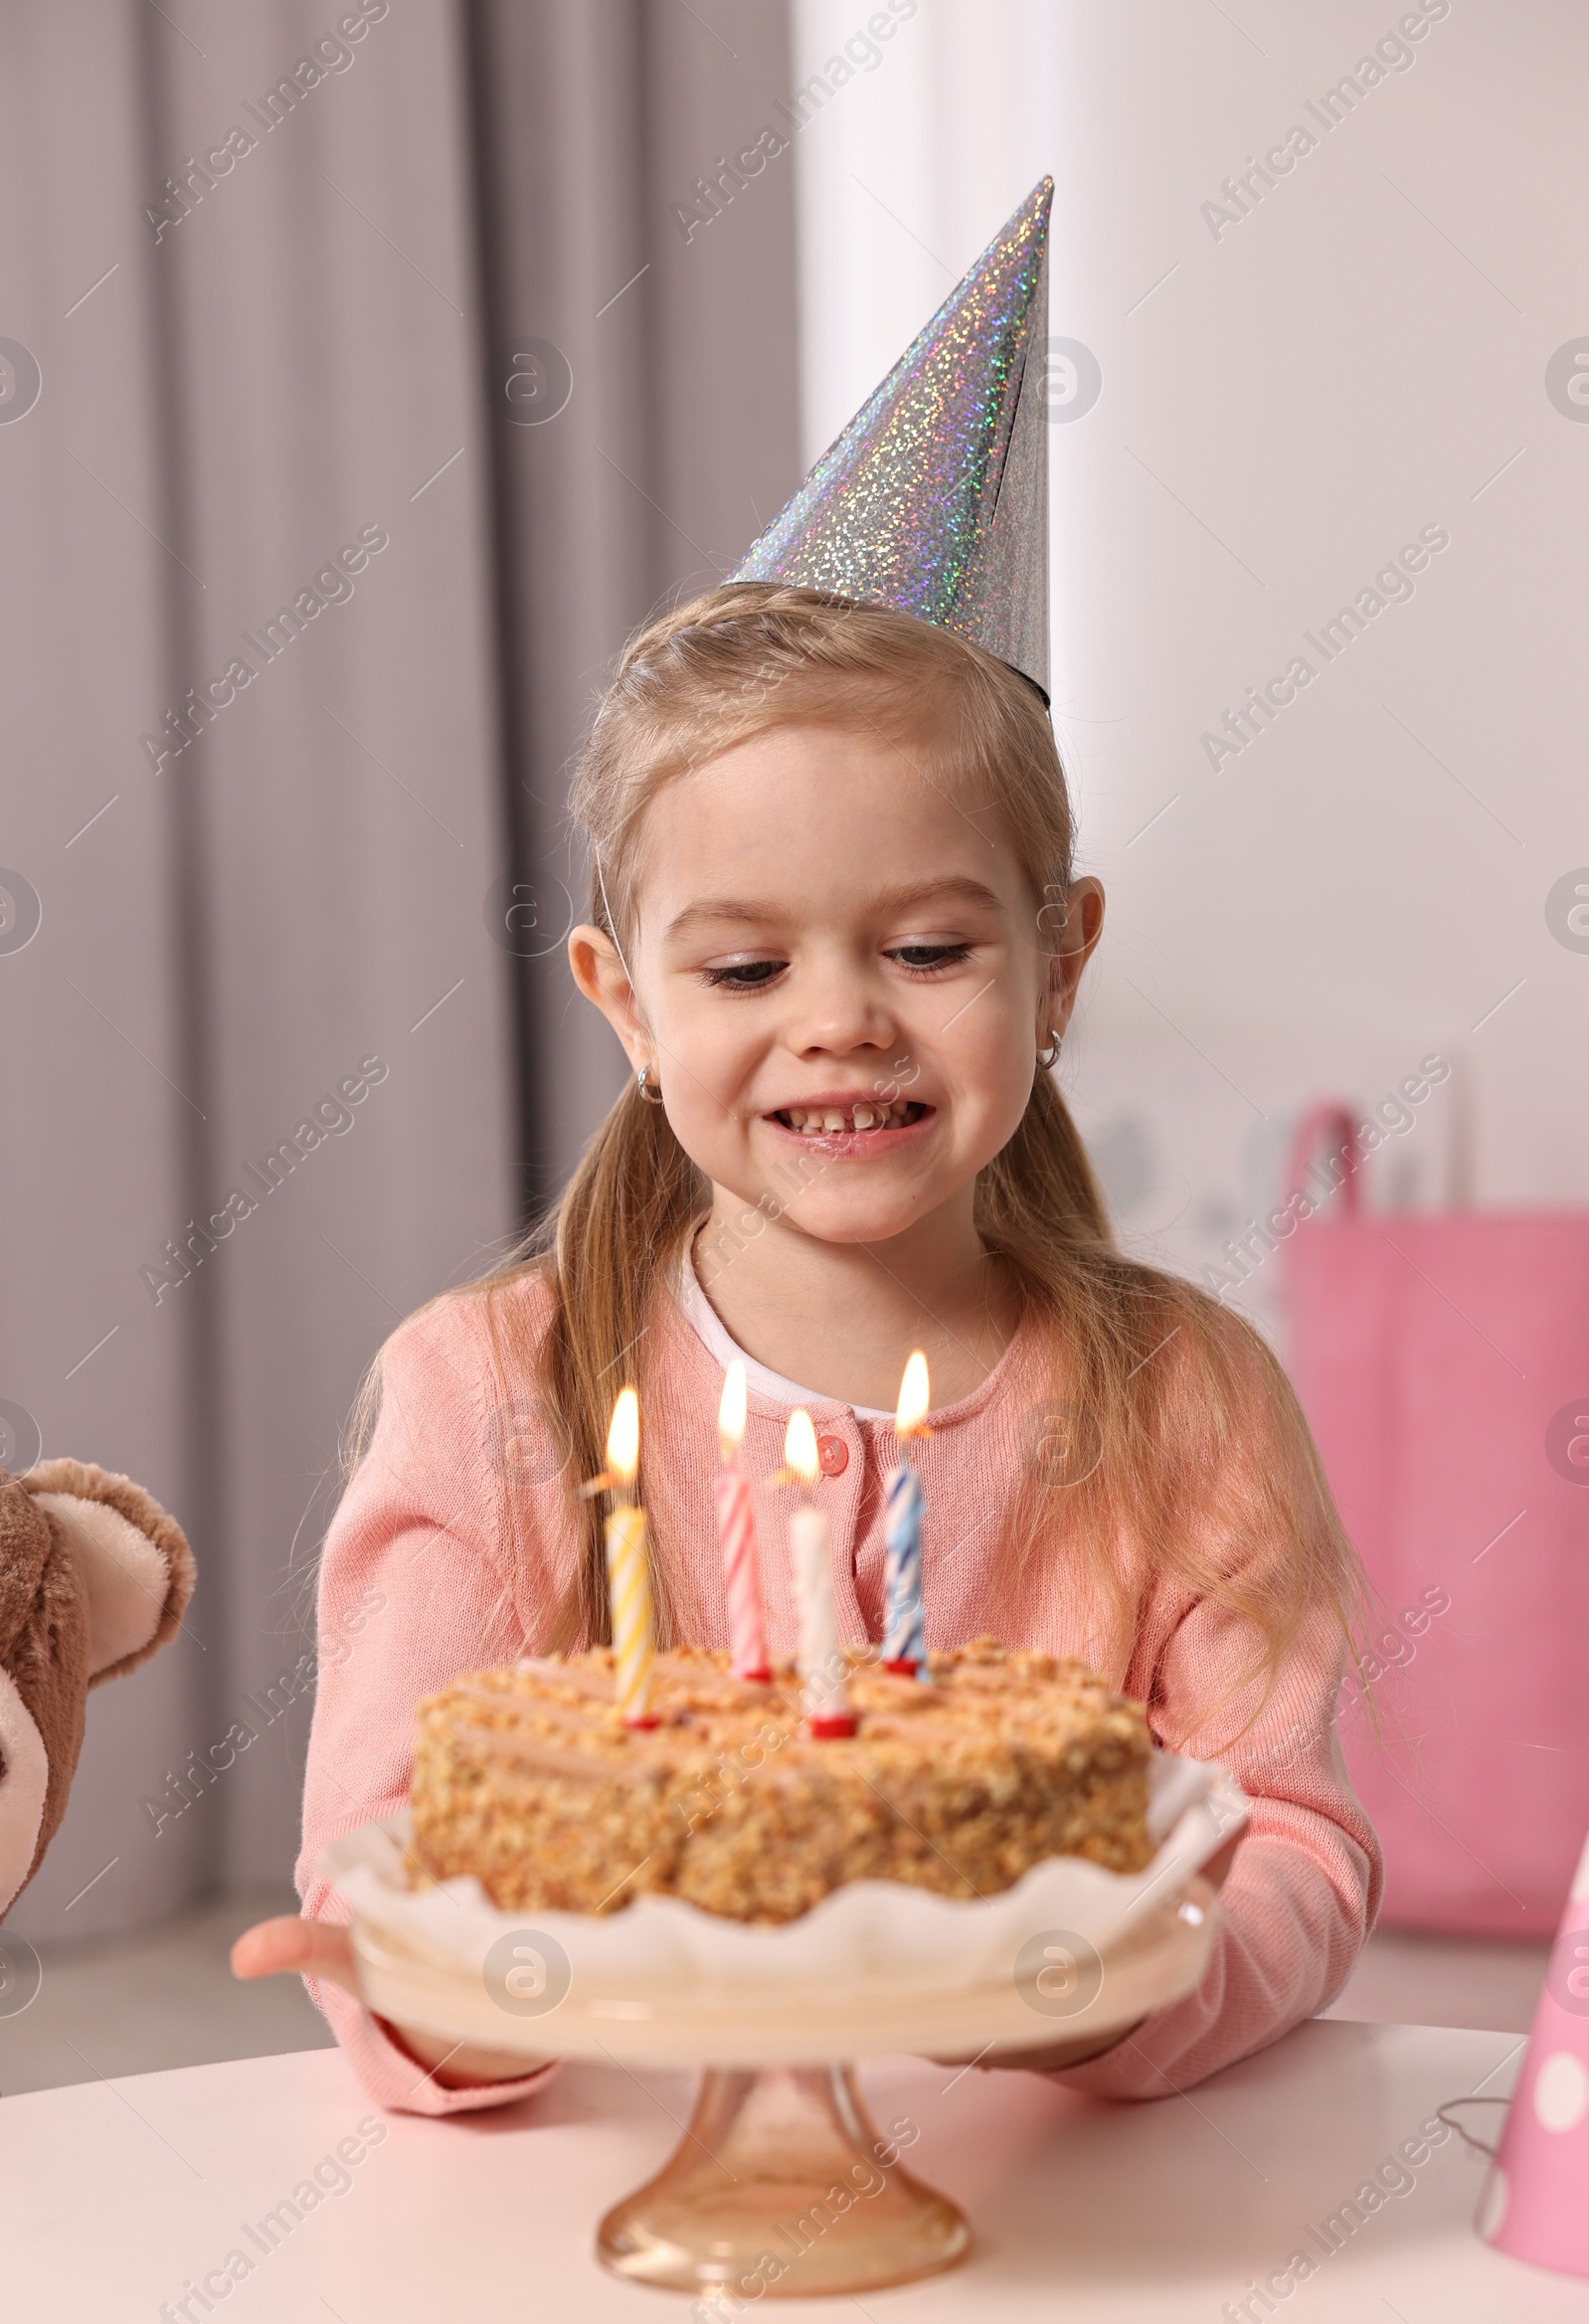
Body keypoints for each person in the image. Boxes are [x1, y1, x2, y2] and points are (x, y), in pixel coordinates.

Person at [233, 577, 1380, 2111]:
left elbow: (1293, 1841)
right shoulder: (487, 1394)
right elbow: (391, 1852)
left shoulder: (1189, 1399)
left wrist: (1104, 1997)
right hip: (614, 2216)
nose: (839, 1021)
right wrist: (453, 1998)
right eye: (747, 970)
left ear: (1063, 958)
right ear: (626, 1002)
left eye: (924, 949)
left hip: (1064, 2213)